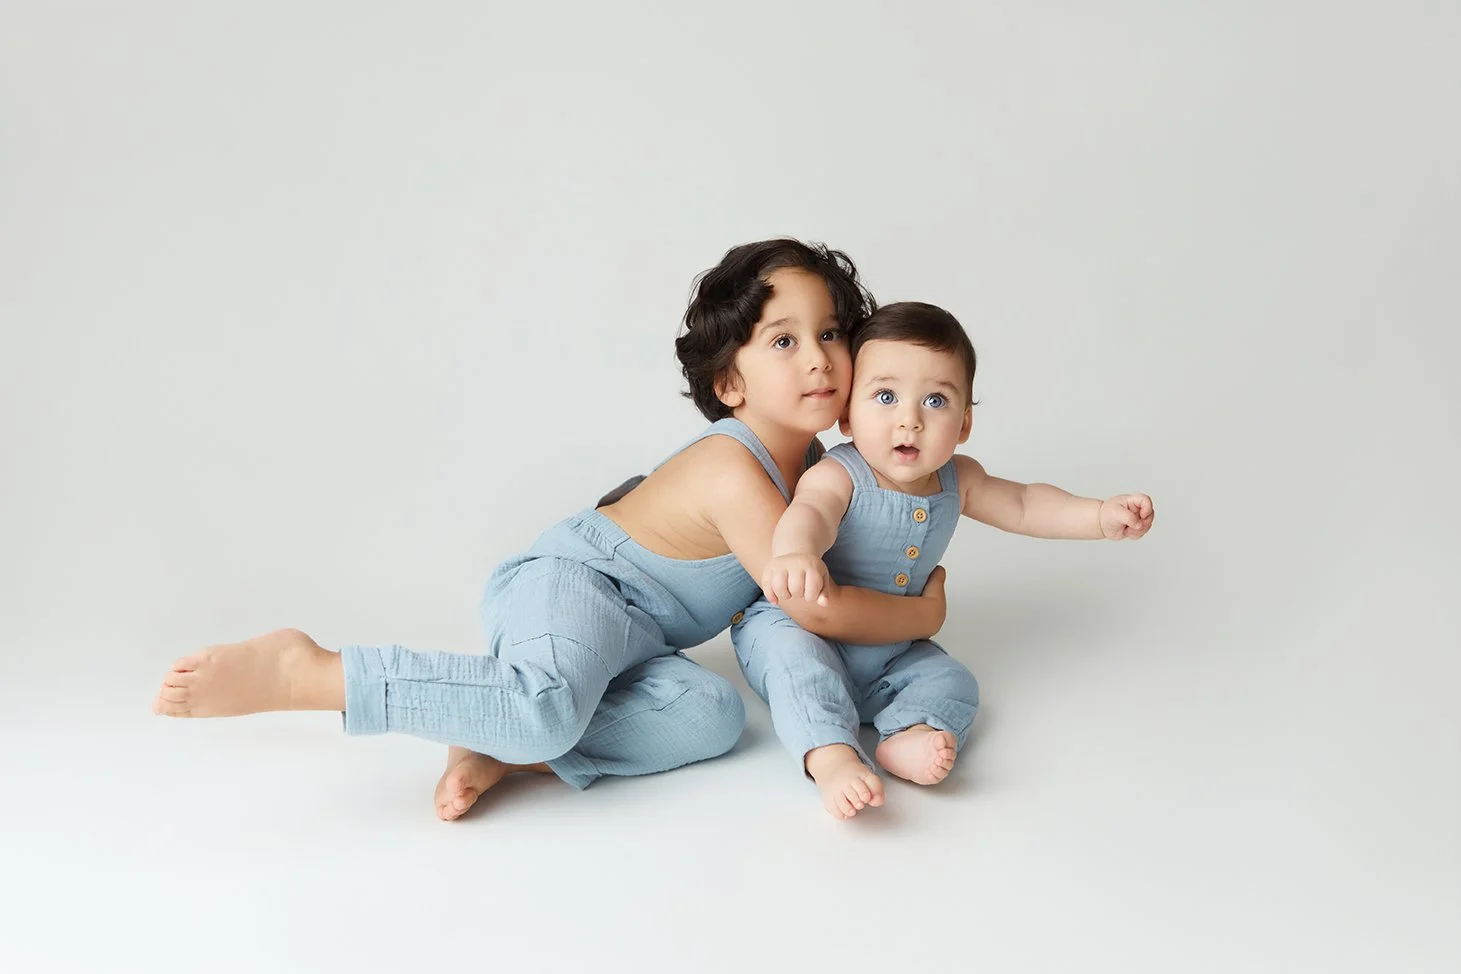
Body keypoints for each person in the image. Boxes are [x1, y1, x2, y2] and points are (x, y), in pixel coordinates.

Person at [152, 240, 950, 820]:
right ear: (729, 381)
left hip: (637, 642)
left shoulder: (819, 468)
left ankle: (496, 739)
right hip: (571, 584)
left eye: (831, 333)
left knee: (710, 718)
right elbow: (809, 606)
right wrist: (921, 616)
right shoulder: (732, 472)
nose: (817, 358)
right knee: (550, 705)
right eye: (784, 340)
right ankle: (317, 672)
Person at [736, 301, 1155, 820]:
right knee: (798, 669)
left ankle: (909, 733)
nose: (908, 420)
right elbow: (811, 513)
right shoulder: (841, 474)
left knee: (954, 681)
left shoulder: (962, 478)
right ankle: (832, 757)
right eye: (885, 396)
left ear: (964, 423)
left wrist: (1098, 516)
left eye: (935, 400)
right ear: (846, 414)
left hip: (890, 647)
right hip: (798, 624)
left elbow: (1025, 504)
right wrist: (797, 552)